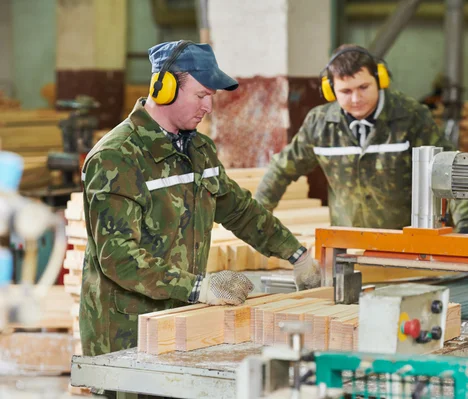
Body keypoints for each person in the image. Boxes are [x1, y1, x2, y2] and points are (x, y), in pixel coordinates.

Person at [79, 40, 321, 362]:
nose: (208, 107)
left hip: (180, 320)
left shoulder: (198, 150)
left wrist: (297, 254)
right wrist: (198, 288)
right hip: (127, 331)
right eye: (201, 95)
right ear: (164, 88)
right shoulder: (117, 157)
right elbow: (118, 257)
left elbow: (239, 210)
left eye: (212, 97)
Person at [255, 44, 468, 232]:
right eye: (345, 91)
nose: (355, 98)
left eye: (363, 87)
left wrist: (467, 226)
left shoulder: (411, 116)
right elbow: (281, 170)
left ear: (380, 80)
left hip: (406, 244)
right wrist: (258, 223)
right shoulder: (320, 124)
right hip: (347, 246)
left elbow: (449, 169)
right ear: (331, 90)